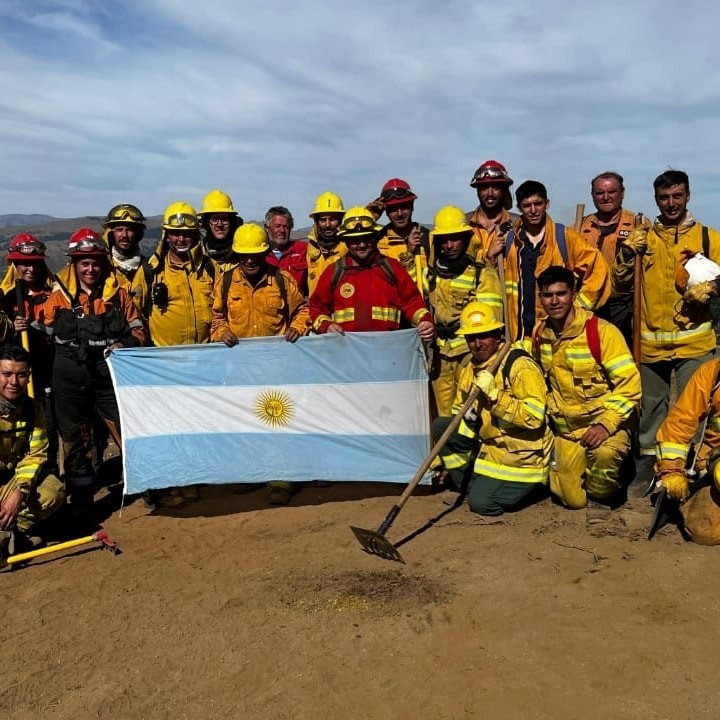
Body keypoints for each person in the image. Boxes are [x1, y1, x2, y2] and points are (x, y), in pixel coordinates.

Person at [612, 169, 720, 486]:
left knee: (694, 412)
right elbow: (620, 283)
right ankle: (648, 469)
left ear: (688, 196)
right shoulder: (645, 237)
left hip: (695, 345)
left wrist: (713, 288)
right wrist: (626, 253)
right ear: (656, 199)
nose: (670, 203)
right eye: (664, 198)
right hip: (650, 344)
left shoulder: (707, 237)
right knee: (650, 410)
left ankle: (693, 470)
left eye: (677, 196)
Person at [43, 229, 147, 518]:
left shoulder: (119, 295)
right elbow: (43, 332)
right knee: (75, 438)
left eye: (95, 262)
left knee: (125, 428)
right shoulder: (59, 296)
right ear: (75, 265)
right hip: (68, 375)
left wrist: (123, 343)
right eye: (84, 263)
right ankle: (82, 498)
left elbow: (139, 330)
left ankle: (144, 484)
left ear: (103, 263)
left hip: (107, 373)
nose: (90, 269)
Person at [212, 223, 310, 506]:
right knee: (244, 420)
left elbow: (302, 308)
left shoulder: (282, 280)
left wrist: (298, 326)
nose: (250, 260)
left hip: (276, 368)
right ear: (237, 254)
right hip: (240, 369)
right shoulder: (226, 282)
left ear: (266, 252)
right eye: (244, 254)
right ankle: (249, 472)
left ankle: (280, 478)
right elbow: (216, 316)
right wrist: (221, 332)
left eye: (256, 254)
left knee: (277, 419)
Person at [533, 266, 641, 522]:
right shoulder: (539, 335)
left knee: (604, 455)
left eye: (561, 293)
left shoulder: (601, 332)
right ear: (541, 297)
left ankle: (602, 497)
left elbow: (630, 385)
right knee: (572, 500)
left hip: (605, 425)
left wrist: (606, 425)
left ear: (574, 294)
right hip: (568, 431)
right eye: (548, 295)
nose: (555, 301)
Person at [432, 301, 551, 516]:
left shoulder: (519, 365)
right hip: (491, 447)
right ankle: (472, 484)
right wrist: (467, 427)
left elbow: (534, 418)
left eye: (483, 336)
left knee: (481, 504)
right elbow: (464, 416)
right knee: (443, 427)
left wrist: (496, 398)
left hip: (521, 456)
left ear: (497, 335)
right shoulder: (469, 369)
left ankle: (528, 489)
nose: (477, 344)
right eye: (470, 338)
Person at [484, 180, 611, 343]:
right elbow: (491, 286)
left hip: (555, 337)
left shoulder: (564, 238)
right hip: (517, 336)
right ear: (519, 208)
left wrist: (576, 308)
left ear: (547, 204)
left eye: (538, 204)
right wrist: (491, 257)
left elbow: (598, 271)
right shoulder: (509, 241)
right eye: (527, 205)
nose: (533, 210)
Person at [309, 206, 435, 341]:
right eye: (355, 240)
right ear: (345, 241)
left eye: (366, 238)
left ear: (375, 237)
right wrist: (326, 325)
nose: (362, 244)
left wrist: (424, 320)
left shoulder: (393, 268)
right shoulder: (333, 272)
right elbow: (316, 307)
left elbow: (412, 302)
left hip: (388, 351)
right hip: (347, 353)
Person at [425, 205, 502, 416]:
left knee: (470, 412)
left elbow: (492, 320)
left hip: (470, 353)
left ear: (466, 238)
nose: (449, 245)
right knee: (443, 415)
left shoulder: (481, 272)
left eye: (455, 238)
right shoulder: (430, 273)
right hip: (440, 354)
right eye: (443, 239)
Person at [0, 344, 65, 557]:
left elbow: (35, 454)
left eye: (20, 375)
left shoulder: (32, 409)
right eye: (6, 374)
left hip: (9, 481)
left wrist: (20, 492)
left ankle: (14, 531)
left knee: (52, 491)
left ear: (28, 377)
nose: (13, 382)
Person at [0, 233, 57, 473]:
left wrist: (34, 328)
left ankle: (48, 473)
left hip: (46, 371)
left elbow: (60, 330)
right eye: (24, 263)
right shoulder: (7, 298)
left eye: (35, 263)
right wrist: (14, 328)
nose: (30, 268)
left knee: (47, 426)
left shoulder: (53, 295)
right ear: (15, 265)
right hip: (17, 376)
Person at [131, 201, 216, 348]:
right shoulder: (150, 271)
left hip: (205, 358)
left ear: (195, 235)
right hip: (164, 361)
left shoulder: (210, 268)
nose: (181, 239)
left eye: (187, 234)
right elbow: (133, 314)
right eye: (175, 233)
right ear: (166, 235)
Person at [653, 357, 720, 543]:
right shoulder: (712, 373)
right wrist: (671, 471)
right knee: (704, 531)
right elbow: (679, 424)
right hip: (716, 460)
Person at [579, 172, 649, 343]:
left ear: (622, 193)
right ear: (592, 195)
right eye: (600, 192)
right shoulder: (581, 225)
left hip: (625, 306)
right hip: (589, 304)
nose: (605, 197)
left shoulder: (638, 224)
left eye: (611, 192)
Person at [369, 178, 430, 282]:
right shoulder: (376, 242)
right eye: (393, 209)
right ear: (386, 211)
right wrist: (368, 218)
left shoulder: (428, 238)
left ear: (412, 207)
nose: (400, 214)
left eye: (404, 207)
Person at [467, 160, 517, 261]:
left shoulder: (518, 225)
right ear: (477, 191)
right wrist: (489, 256)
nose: (490, 193)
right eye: (484, 188)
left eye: (495, 187)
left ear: (504, 191)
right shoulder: (464, 225)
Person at [306, 192, 346, 297]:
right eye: (323, 220)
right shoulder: (310, 251)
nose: (327, 225)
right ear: (316, 222)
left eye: (332, 219)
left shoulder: (350, 247)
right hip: (317, 312)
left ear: (341, 220)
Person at [103, 204, 148, 294]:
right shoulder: (102, 267)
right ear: (111, 234)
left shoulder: (149, 269)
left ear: (138, 234)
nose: (124, 235)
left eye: (129, 230)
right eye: (119, 230)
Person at [197, 189, 243, 272]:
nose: (219, 224)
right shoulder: (197, 254)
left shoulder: (243, 252)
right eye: (215, 219)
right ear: (207, 223)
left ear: (232, 222)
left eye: (224, 219)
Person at [264, 206, 307, 294]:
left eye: (286, 227)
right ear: (267, 228)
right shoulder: (259, 254)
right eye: (277, 226)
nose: (282, 230)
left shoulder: (304, 250)